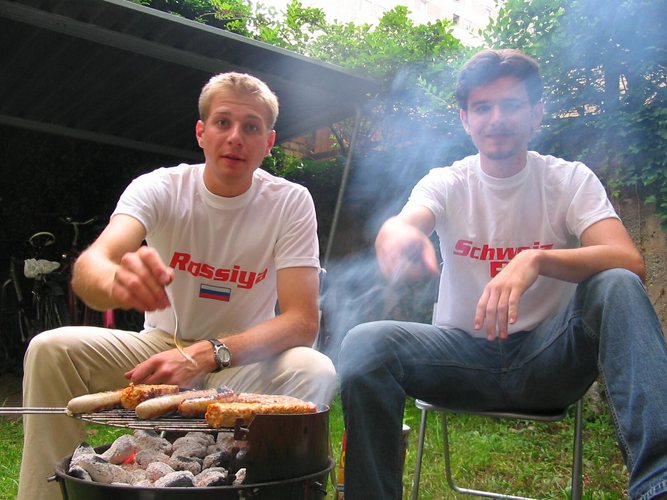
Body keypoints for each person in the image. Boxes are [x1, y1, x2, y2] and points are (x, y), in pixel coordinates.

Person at [339, 48, 667, 500]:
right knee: (365, 341)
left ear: (537, 114)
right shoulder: (448, 180)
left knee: (616, 283)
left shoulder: (570, 179)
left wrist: (537, 260)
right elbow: (407, 221)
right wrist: (395, 235)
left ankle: (659, 485)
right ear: (466, 119)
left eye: (511, 105)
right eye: (483, 107)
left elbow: (629, 259)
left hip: (546, 360)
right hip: (459, 359)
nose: (497, 118)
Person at [18, 72, 337, 500]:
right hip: (159, 349)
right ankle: (48, 495)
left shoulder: (290, 201)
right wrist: (112, 282)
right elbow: (93, 265)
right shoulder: (161, 187)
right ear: (201, 133)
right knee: (50, 349)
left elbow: (301, 322)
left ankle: (258, 488)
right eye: (223, 123)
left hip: (241, 361)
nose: (236, 137)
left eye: (251, 126)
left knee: (315, 368)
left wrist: (207, 354)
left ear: (269, 141)